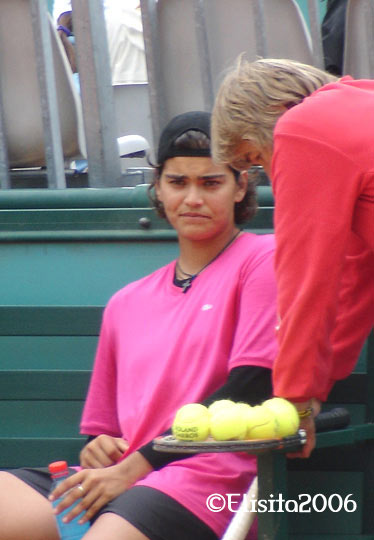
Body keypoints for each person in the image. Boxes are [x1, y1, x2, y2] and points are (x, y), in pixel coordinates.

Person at [0, 111, 278, 540]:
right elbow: (103, 431)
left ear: (241, 186)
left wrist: (130, 469)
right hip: (122, 477)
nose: (192, 199)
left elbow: (250, 385)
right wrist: (100, 447)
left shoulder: (262, 260)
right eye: (178, 182)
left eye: (210, 182)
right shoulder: (126, 302)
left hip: (209, 483)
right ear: (158, 188)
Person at [211, 57, 374, 458]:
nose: (270, 170)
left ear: (273, 114)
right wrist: (310, 392)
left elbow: (307, 282)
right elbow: (358, 275)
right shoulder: (360, 103)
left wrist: (294, 401)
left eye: (256, 159)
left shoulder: (301, 127)